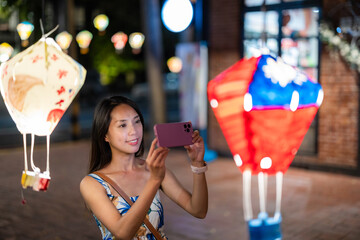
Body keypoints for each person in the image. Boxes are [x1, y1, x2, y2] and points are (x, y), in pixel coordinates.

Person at [80, 96, 208, 240]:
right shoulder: (92, 183)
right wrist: (154, 181)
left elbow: (198, 210)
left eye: (137, 122)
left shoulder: (154, 169)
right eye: (122, 125)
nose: (133, 131)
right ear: (105, 135)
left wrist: (197, 164)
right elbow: (123, 233)